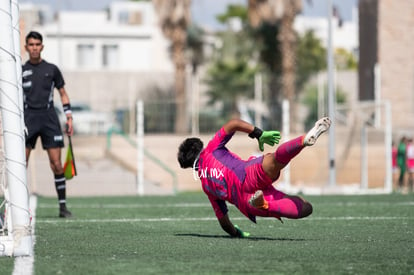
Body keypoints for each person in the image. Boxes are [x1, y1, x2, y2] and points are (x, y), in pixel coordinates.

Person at [177, 117, 331, 237]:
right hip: (247, 173)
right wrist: (258, 133)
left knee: (305, 207)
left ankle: (264, 205)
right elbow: (233, 123)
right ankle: (303, 141)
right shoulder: (211, 148)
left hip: (246, 200)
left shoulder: (206, 186)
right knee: (276, 159)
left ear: (190, 165)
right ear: (199, 146)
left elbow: (224, 221)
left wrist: (236, 232)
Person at [22, 31, 74, 218]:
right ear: (26, 47)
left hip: (49, 119)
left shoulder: (52, 69)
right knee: (21, 165)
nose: (34, 47)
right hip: (27, 119)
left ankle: (62, 206)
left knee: (56, 165)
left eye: (37, 44)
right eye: (31, 44)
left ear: (42, 47)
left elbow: (63, 93)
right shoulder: (19, 71)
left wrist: (69, 117)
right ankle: (16, 209)